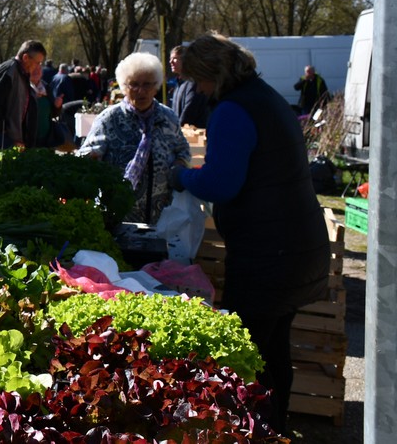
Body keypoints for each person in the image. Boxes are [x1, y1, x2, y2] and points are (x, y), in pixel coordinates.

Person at [170, 33, 330, 434]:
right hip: (296, 246)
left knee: (248, 355)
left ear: (214, 74)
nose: (198, 90)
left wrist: (183, 177)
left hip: (267, 256)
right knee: (274, 351)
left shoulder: (234, 109)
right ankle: (276, 429)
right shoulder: (266, 97)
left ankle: (255, 432)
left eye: (199, 80)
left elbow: (221, 184)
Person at [76, 52, 189, 223]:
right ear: (124, 86)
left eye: (147, 84)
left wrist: (177, 168)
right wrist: (92, 161)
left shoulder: (168, 118)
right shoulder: (109, 118)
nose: (141, 91)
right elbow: (86, 155)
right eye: (134, 84)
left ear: (156, 86)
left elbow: (183, 151)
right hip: (116, 215)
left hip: (161, 216)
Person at [0, 40, 47, 160]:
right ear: (25, 58)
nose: (38, 66)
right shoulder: (9, 69)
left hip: (9, 136)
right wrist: (5, 132)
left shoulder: (23, 73)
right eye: (37, 62)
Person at [169, 45, 209, 128]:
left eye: (175, 58)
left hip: (193, 133)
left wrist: (176, 130)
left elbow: (189, 113)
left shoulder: (193, 83)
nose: (171, 62)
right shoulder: (178, 84)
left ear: (185, 61)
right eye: (170, 58)